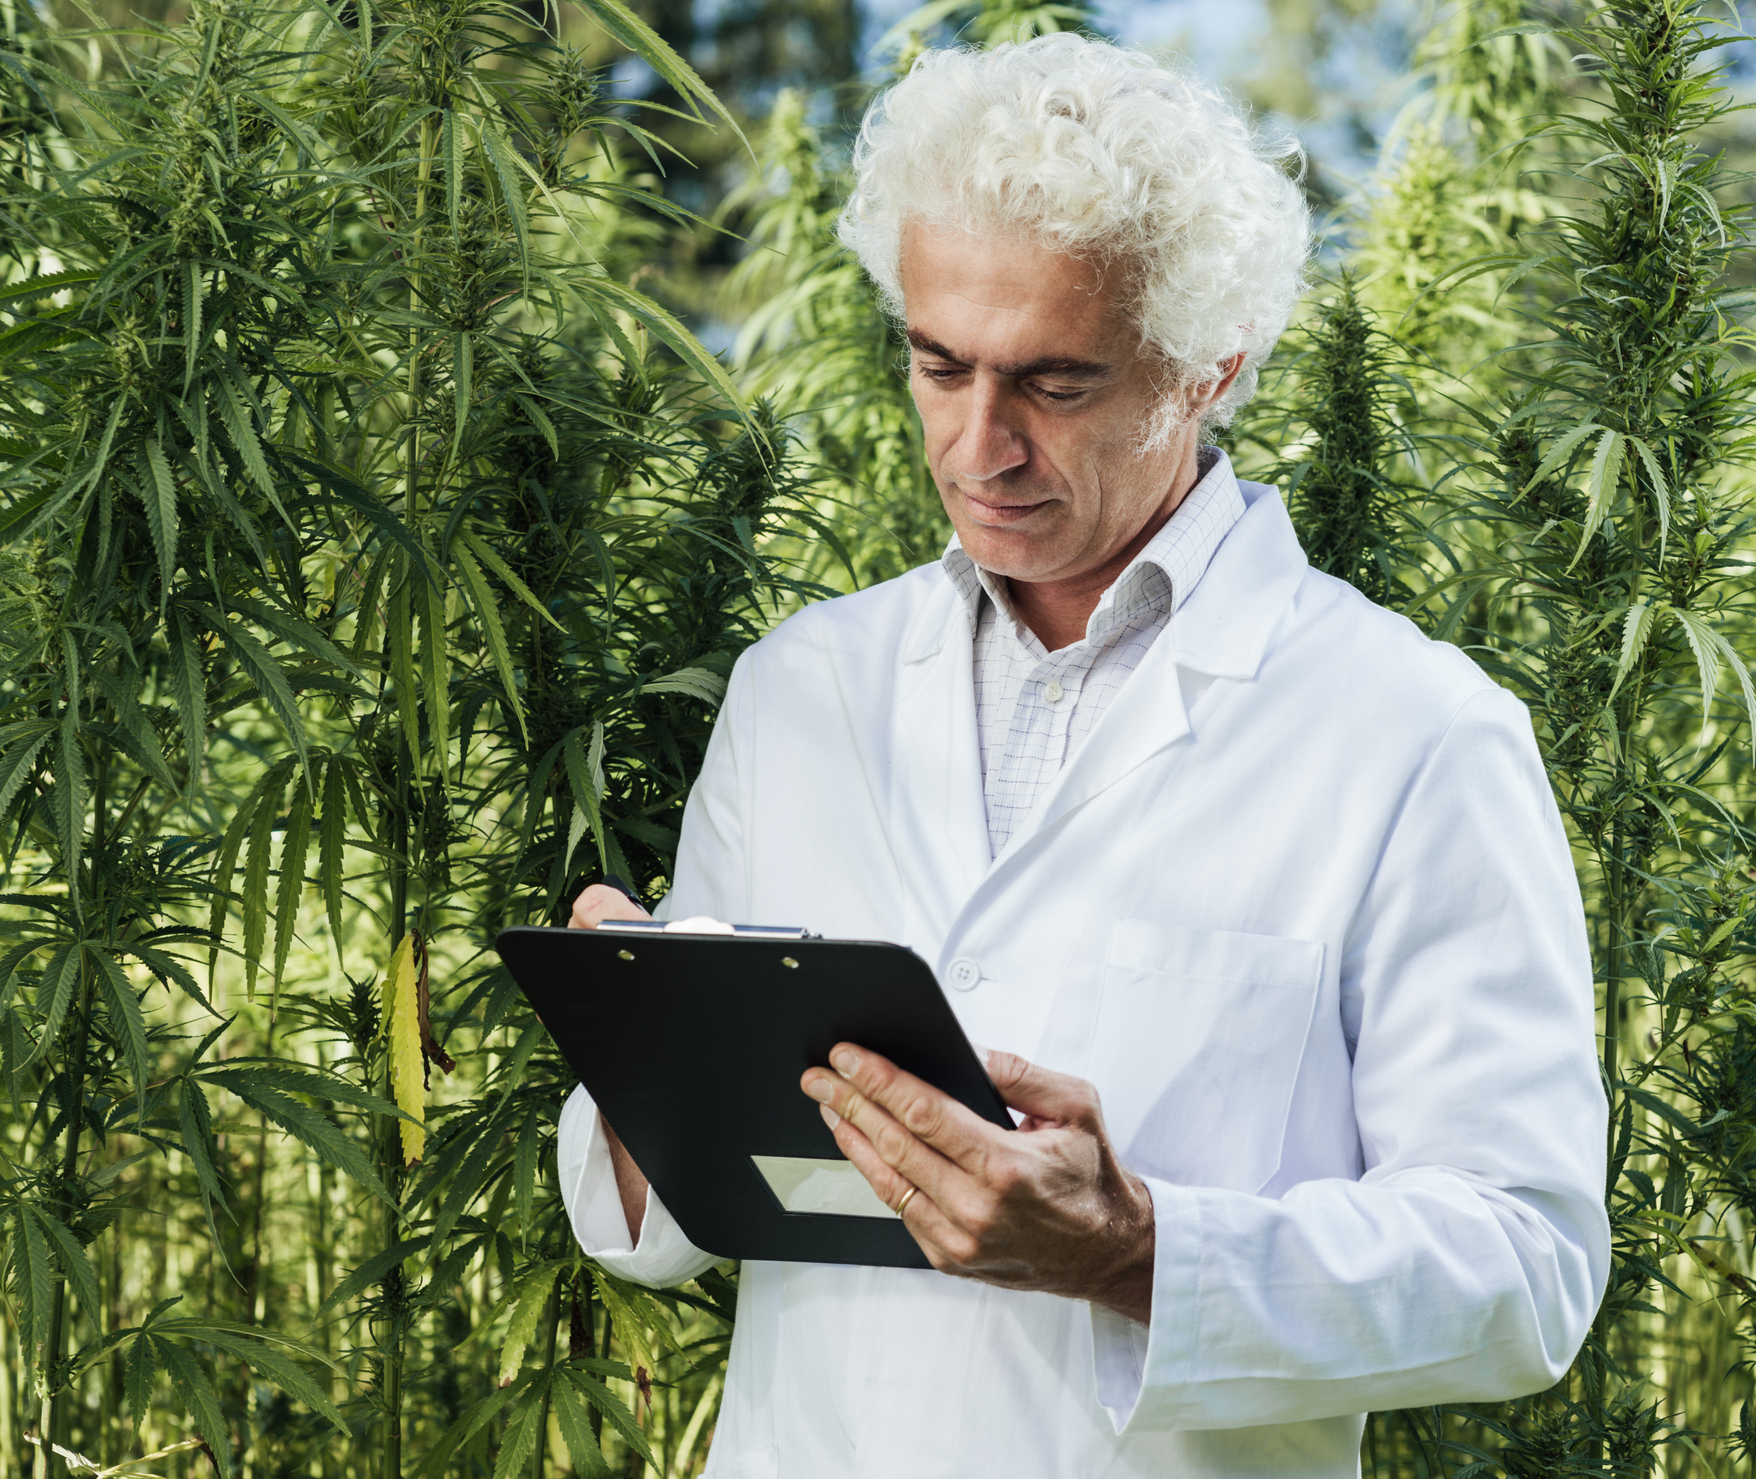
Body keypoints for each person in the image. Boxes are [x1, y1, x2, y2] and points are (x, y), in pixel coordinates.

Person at [559, 32, 1608, 1476]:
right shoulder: (803, 691)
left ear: (1207, 371)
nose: (976, 447)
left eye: (1054, 385)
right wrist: (643, 1063)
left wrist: (1138, 1250)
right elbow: (685, 1213)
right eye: (938, 364)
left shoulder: (1414, 733)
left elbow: (1526, 1267)